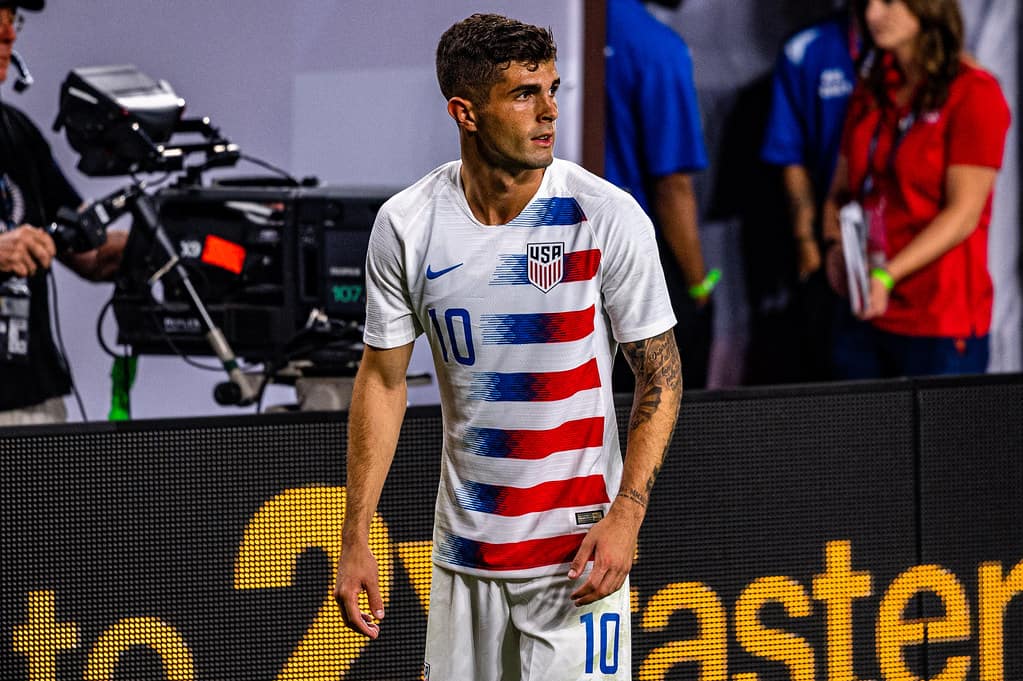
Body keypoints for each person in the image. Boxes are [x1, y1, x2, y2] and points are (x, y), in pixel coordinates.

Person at [333, 13, 682, 680]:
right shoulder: (407, 224)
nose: (548, 111)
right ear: (464, 112)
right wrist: (357, 531)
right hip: (463, 556)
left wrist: (627, 514)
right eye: (524, 94)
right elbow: (382, 381)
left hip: (577, 557)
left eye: (552, 88)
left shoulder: (604, 215)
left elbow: (658, 376)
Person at [823, 0, 1010, 378]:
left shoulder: (974, 91)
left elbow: (963, 215)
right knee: (860, 436)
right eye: (868, 3)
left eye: (890, 2)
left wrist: (888, 274)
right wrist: (833, 248)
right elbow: (839, 193)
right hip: (867, 312)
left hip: (939, 322)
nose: (873, 14)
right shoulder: (872, 88)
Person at [0, 0, 126, 425]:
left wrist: (162, 238)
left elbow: (88, 253)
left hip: (32, 401)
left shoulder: (17, 133)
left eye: (12, 18)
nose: (9, 34)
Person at [604, 0, 714, 391]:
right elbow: (672, 187)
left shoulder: (543, 34)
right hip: (639, 265)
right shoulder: (656, 46)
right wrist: (698, 285)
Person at [759, 3, 860, 381]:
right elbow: (791, 156)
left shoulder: (924, 54)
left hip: (904, 254)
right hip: (834, 246)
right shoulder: (806, 50)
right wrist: (808, 243)